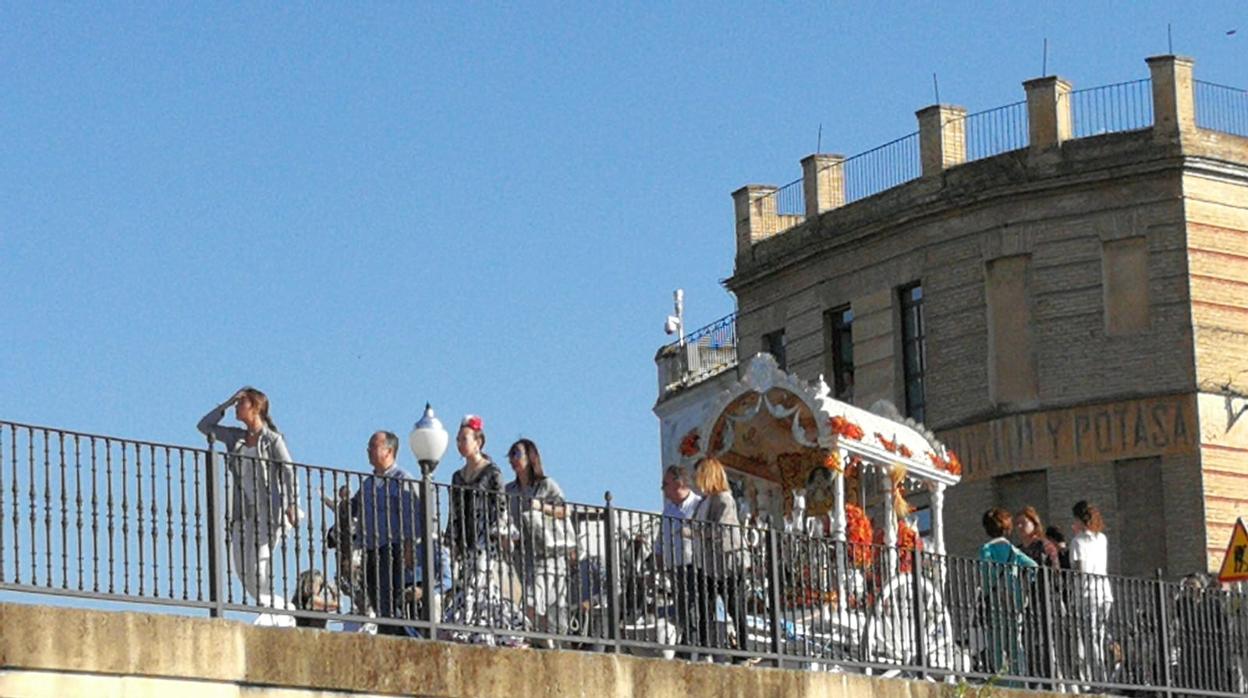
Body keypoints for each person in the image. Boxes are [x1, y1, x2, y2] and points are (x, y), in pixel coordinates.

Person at [197, 387, 297, 610]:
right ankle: (278, 606)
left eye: (241, 403)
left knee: (258, 567)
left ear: (255, 407)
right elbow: (204, 426)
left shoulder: (272, 440)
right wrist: (226, 403)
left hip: (268, 511)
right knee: (241, 568)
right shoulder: (236, 437)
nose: (237, 407)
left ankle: (273, 608)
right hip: (243, 511)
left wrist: (292, 503)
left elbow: (289, 471)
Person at [444, 415, 526, 644]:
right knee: (475, 583)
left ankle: (466, 626)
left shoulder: (492, 472)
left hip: (485, 535)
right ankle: (498, 627)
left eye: (464, 438)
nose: (460, 443)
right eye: (458, 439)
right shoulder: (457, 476)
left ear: (478, 442)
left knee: (477, 579)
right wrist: (452, 539)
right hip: (467, 535)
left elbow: (500, 505)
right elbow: (455, 509)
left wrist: (502, 534)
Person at [349, 431, 431, 636]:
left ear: (389, 450)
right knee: (377, 599)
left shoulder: (402, 479)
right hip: (370, 549)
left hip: (392, 549)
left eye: (373, 446)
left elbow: (412, 516)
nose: (368, 450)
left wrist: (409, 547)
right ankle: (389, 634)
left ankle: (403, 637)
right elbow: (357, 513)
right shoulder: (367, 484)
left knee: (390, 601)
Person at [504, 438, 571, 641]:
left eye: (517, 454)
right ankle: (542, 640)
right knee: (541, 602)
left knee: (534, 598)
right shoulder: (510, 490)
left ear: (530, 457)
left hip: (547, 554)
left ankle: (528, 637)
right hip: (523, 554)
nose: (513, 459)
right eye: (510, 455)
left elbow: (565, 510)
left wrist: (541, 507)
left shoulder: (546, 485)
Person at [686, 457, 750, 660]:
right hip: (707, 564)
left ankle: (743, 651)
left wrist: (695, 533)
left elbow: (722, 529)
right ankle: (706, 650)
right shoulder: (703, 502)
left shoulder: (723, 499)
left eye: (698, 474)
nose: (694, 479)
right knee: (704, 607)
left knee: (734, 606)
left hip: (726, 564)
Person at [978, 507, 1038, 680]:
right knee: (1014, 640)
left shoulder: (987, 549)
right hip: (1014, 599)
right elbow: (1033, 566)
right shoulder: (1013, 550)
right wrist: (1024, 585)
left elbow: (985, 573)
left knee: (996, 641)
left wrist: (987, 590)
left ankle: (1001, 679)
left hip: (996, 600)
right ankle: (1020, 677)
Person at [656, 465, 702, 653]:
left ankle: (693, 642)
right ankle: (687, 641)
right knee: (681, 606)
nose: (662, 489)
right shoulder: (668, 510)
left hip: (694, 565)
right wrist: (660, 560)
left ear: (678, 484)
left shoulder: (698, 505)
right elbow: (661, 539)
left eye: (665, 484)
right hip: (674, 567)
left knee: (693, 605)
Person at [1069, 500, 1114, 686]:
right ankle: (1102, 676)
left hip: (1086, 595)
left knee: (1090, 639)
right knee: (1099, 636)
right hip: (1105, 592)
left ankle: (1097, 679)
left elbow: (1078, 570)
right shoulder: (1102, 538)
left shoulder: (1077, 541)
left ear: (1080, 520)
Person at [1016, 506, 1060, 681]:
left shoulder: (1044, 546)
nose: (1020, 527)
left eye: (1024, 523)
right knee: (1028, 639)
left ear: (1034, 524)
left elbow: (1055, 571)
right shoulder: (1017, 550)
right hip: (1025, 600)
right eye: (1018, 523)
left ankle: (1051, 676)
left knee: (1045, 639)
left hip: (1044, 599)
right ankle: (1034, 676)